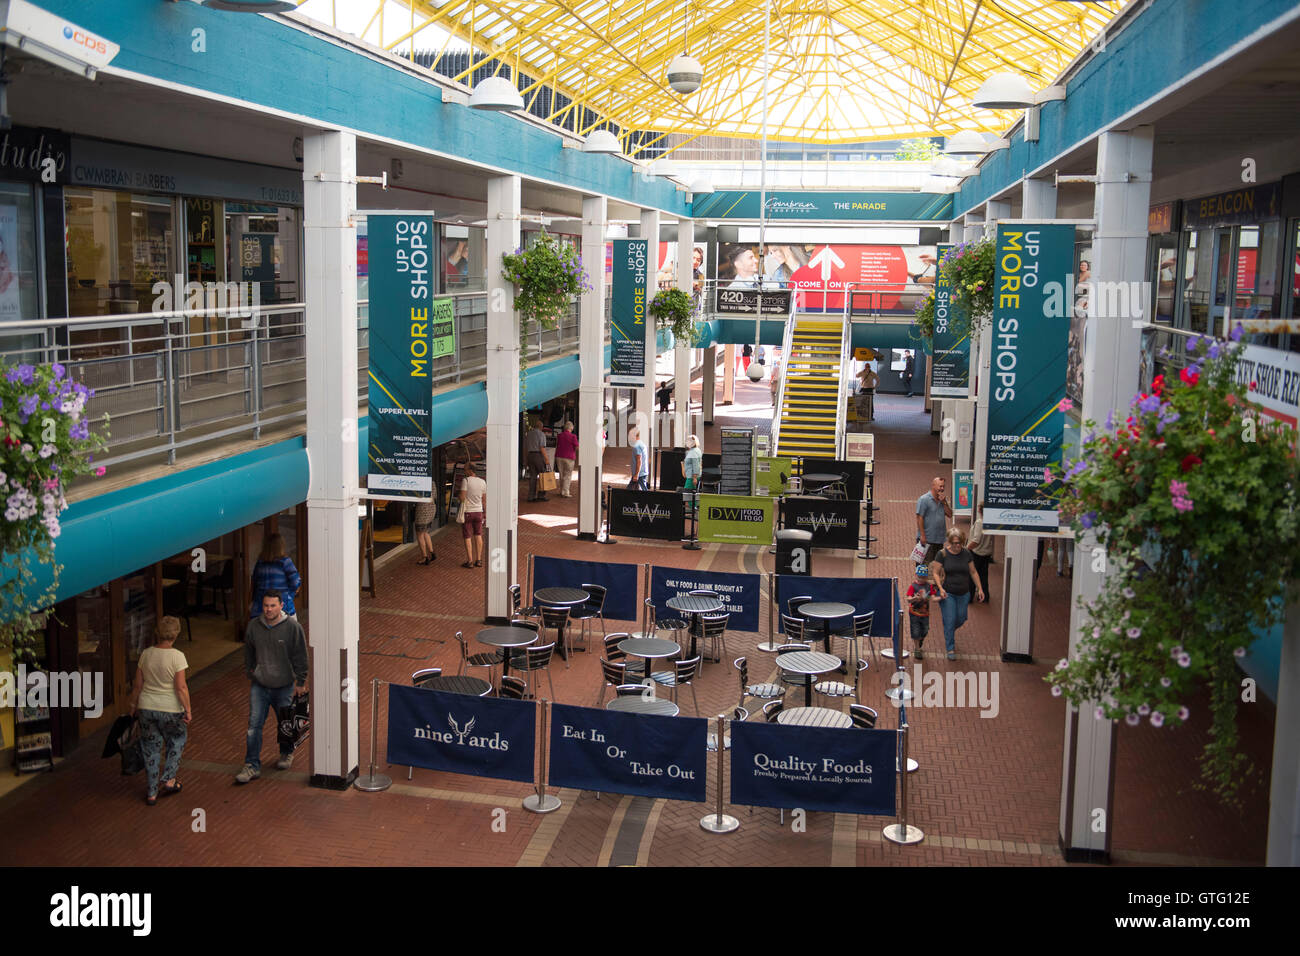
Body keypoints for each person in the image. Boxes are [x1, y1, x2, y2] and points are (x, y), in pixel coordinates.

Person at [235, 591, 308, 784]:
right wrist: (251, 672)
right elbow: (248, 650)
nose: (268, 609)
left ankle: (286, 753)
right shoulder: (254, 626)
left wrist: (300, 682)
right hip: (259, 685)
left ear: (281, 605)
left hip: (284, 685)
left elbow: (301, 655)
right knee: (253, 726)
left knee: (285, 721)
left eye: (272, 606)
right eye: (265, 606)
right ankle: (251, 765)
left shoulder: (293, 627)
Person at [128, 616, 191, 805]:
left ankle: (152, 792)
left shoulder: (146, 654)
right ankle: (169, 778)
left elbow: (138, 685)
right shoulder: (177, 656)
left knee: (150, 748)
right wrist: (187, 709)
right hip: (170, 708)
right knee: (177, 740)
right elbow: (181, 687)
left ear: (158, 632)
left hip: (147, 707)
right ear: (176, 633)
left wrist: (133, 706)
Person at [931, 528, 985, 661]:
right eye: (955, 543)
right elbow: (936, 572)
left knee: (961, 618)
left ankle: (949, 630)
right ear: (949, 542)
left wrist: (980, 589)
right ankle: (950, 647)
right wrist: (940, 588)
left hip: (963, 593)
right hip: (947, 593)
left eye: (960, 543)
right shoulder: (942, 554)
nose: (957, 546)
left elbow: (973, 572)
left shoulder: (966, 553)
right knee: (950, 620)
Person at [249, 533, 301, 620]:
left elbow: (254, 584)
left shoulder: (260, 563)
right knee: (292, 631)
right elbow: (296, 582)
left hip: (261, 608)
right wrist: (289, 596)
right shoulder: (285, 562)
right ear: (281, 546)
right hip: (282, 609)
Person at [915, 476, 952, 564]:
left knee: (937, 565)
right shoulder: (924, 499)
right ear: (933, 486)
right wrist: (922, 536)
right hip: (927, 539)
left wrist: (944, 503)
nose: (942, 488)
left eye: (943, 486)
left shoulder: (942, 501)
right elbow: (919, 518)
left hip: (939, 539)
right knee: (924, 566)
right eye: (940, 486)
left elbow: (950, 514)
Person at [905, 565, 938, 661]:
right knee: (915, 631)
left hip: (925, 614)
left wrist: (940, 598)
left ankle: (920, 640)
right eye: (919, 577)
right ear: (915, 575)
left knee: (925, 630)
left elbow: (933, 597)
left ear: (926, 577)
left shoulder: (929, 586)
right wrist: (915, 598)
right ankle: (917, 649)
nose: (921, 579)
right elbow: (908, 599)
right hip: (914, 613)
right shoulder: (913, 586)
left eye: (923, 577)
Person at [459, 461, 487, 567]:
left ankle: (470, 561)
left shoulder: (465, 481)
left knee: (467, 535)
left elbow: (462, 496)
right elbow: (484, 500)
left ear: (470, 470)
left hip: (468, 512)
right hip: (479, 511)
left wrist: (459, 498)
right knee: (478, 534)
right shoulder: (482, 482)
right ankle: (479, 559)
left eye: (465, 469)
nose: (464, 471)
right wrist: (485, 513)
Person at [967, 502, 996, 603]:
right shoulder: (990, 522)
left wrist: (966, 548)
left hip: (977, 553)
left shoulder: (980, 522)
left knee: (972, 574)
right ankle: (984, 596)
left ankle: (969, 597)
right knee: (983, 575)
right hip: (986, 553)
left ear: (980, 510)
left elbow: (976, 540)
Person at [524, 417, 550, 502]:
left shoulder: (529, 433)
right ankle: (541, 495)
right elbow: (542, 447)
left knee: (533, 476)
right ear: (541, 427)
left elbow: (525, 447)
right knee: (543, 475)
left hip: (530, 455)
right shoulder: (541, 434)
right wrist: (546, 459)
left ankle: (531, 496)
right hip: (538, 455)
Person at [555, 420, 578, 498]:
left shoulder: (559, 435)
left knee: (561, 474)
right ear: (571, 428)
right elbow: (577, 446)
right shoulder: (573, 436)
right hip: (569, 457)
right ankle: (565, 492)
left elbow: (557, 445)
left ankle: (561, 490)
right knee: (567, 475)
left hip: (559, 456)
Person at [413, 498, 437, 565]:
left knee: (420, 534)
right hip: (431, 508)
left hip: (422, 509)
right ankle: (432, 553)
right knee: (426, 532)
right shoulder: (433, 486)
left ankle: (424, 557)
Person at [627, 425, 649, 491]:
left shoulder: (636, 446)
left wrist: (636, 475)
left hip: (640, 474)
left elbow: (639, 461)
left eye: (630, 435)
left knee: (643, 490)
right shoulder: (641, 443)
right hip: (641, 473)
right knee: (631, 488)